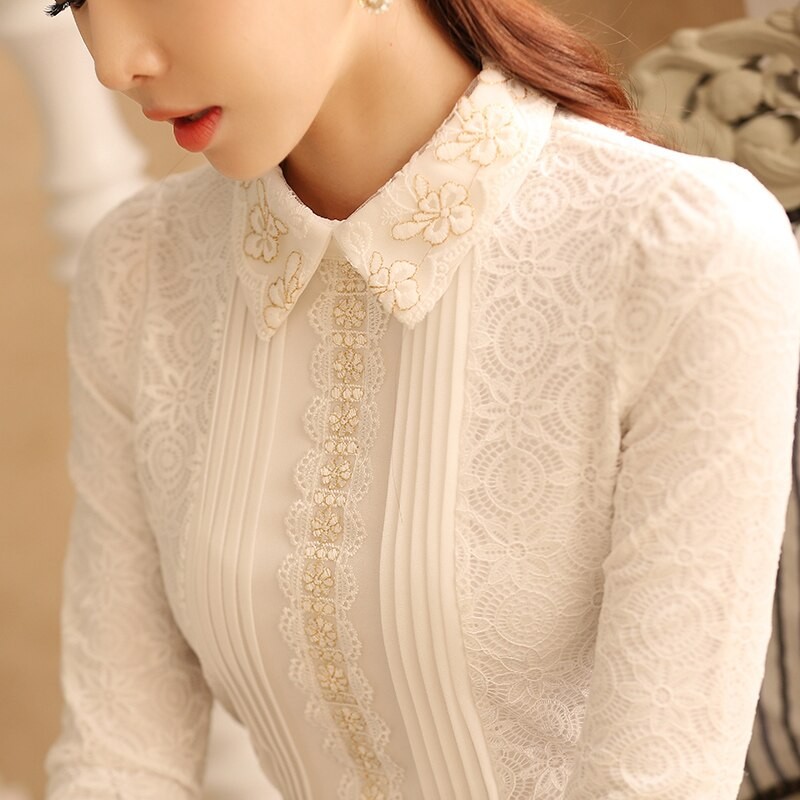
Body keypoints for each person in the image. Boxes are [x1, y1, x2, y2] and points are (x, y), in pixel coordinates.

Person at [42, 0, 800, 797]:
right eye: (73, 0)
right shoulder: (142, 269)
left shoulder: (679, 250)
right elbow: (117, 764)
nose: (112, 64)